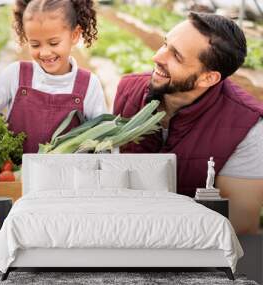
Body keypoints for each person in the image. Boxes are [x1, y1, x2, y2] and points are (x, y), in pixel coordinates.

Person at [113, 12, 263, 234]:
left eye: (177, 56)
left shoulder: (248, 128)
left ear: (208, 78)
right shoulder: (128, 90)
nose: (157, 57)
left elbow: (239, 225)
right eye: (166, 44)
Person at [0, 0, 107, 153]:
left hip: (66, 175)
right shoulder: (15, 75)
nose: (44, 53)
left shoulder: (89, 85)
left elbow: (104, 137)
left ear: (74, 35)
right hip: (17, 175)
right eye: (35, 45)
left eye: (54, 43)